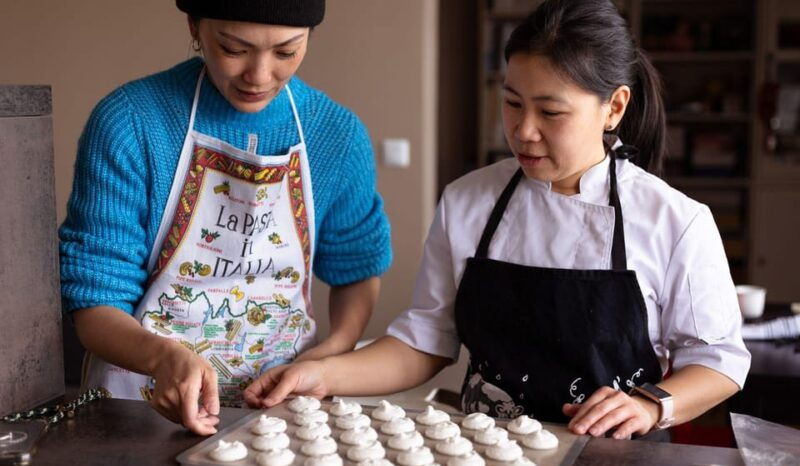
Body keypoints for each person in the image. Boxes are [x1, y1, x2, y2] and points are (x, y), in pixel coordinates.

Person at [244, 0, 751, 440]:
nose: (523, 131)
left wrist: (649, 404)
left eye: (550, 113)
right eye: (511, 103)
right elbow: (425, 342)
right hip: (486, 461)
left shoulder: (674, 220)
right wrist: (323, 376)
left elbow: (720, 362)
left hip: (615, 465)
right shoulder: (468, 201)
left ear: (614, 107)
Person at [59, 0, 391, 435]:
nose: (259, 75)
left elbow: (356, 268)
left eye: (286, 52)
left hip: (280, 414)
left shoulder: (336, 134)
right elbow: (93, 297)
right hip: (137, 405)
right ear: (195, 25)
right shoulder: (130, 122)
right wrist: (161, 359)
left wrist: (333, 350)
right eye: (234, 49)